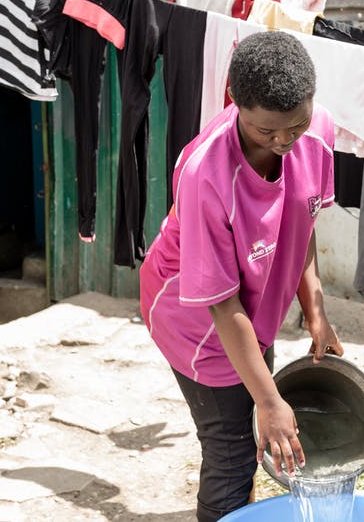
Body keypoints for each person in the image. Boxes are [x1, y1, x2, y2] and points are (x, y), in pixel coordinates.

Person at [139, 31, 345, 522]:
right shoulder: (204, 174)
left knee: (258, 418)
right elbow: (220, 304)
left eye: (295, 125)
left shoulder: (318, 133)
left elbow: (302, 218)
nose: (283, 142)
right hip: (196, 319)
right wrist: (269, 400)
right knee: (232, 454)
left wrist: (316, 310)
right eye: (264, 131)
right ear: (234, 103)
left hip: (254, 303)